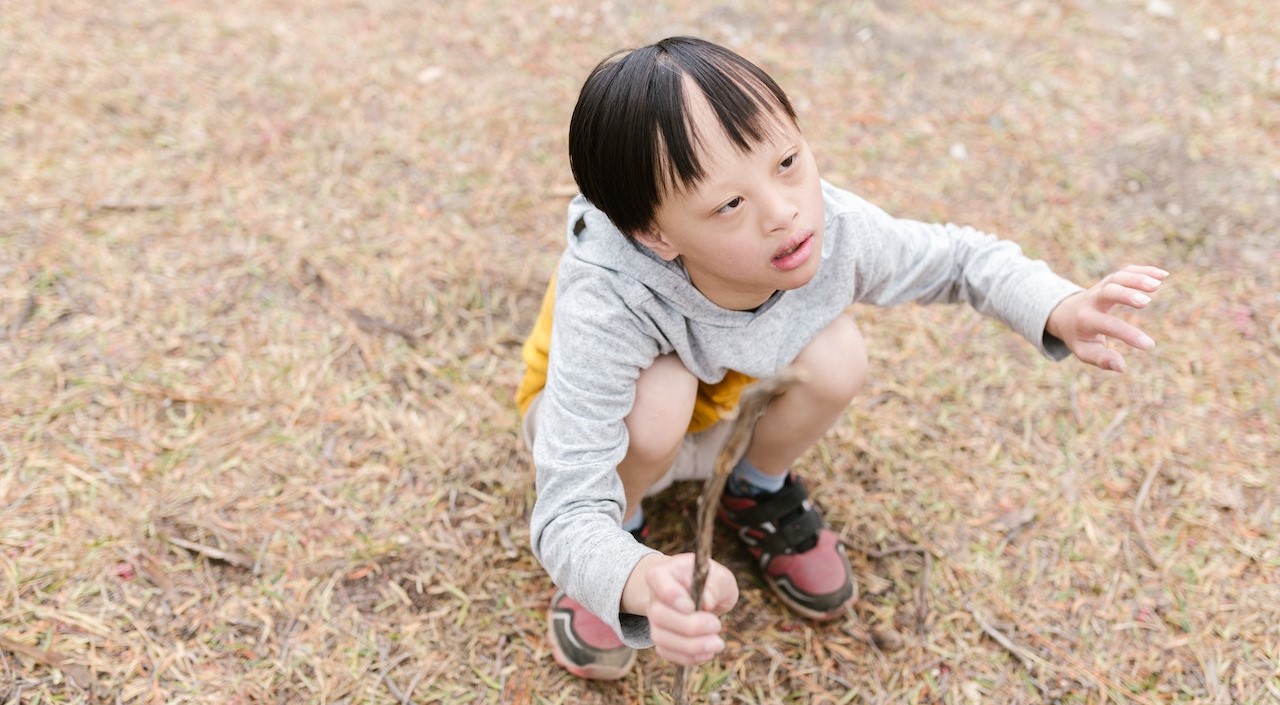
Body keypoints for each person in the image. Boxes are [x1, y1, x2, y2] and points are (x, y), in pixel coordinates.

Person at [515, 36, 1166, 681]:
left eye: (788, 161)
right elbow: (565, 506)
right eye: (730, 204)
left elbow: (960, 259)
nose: (784, 211)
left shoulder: (836, 231)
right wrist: (631, 575)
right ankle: (620, 533)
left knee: (838, 353)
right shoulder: (608, 296)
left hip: (725, 401)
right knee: (657, 402)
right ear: (655, 234)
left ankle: (756, 487)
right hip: (615, 431)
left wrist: (1059, 305)